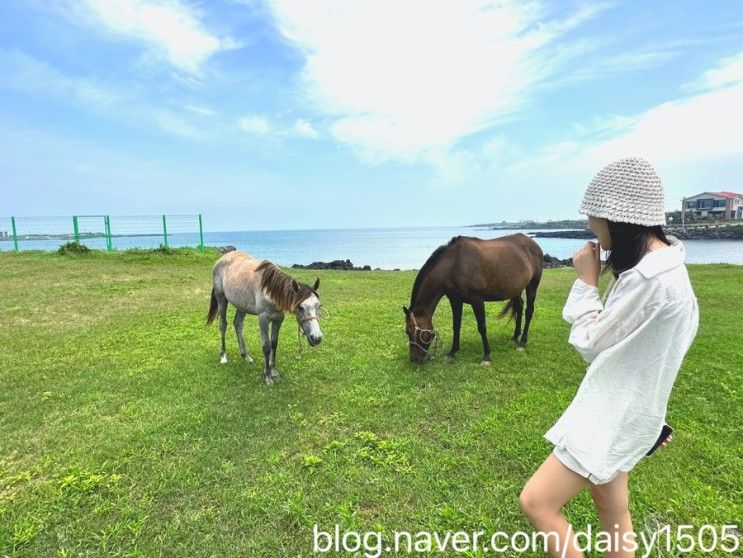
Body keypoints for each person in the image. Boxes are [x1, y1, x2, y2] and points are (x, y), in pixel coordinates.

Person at [519, 157, 700, 558]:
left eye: (594, 216)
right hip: (632, 413)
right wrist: (651, 416)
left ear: (618, 218)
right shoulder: (672, 269)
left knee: (537, 503)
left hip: (610, 416)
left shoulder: (646, 280)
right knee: (613, 510)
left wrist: (586, 284)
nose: (589, 226)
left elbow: (590, 342)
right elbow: (655, 351)